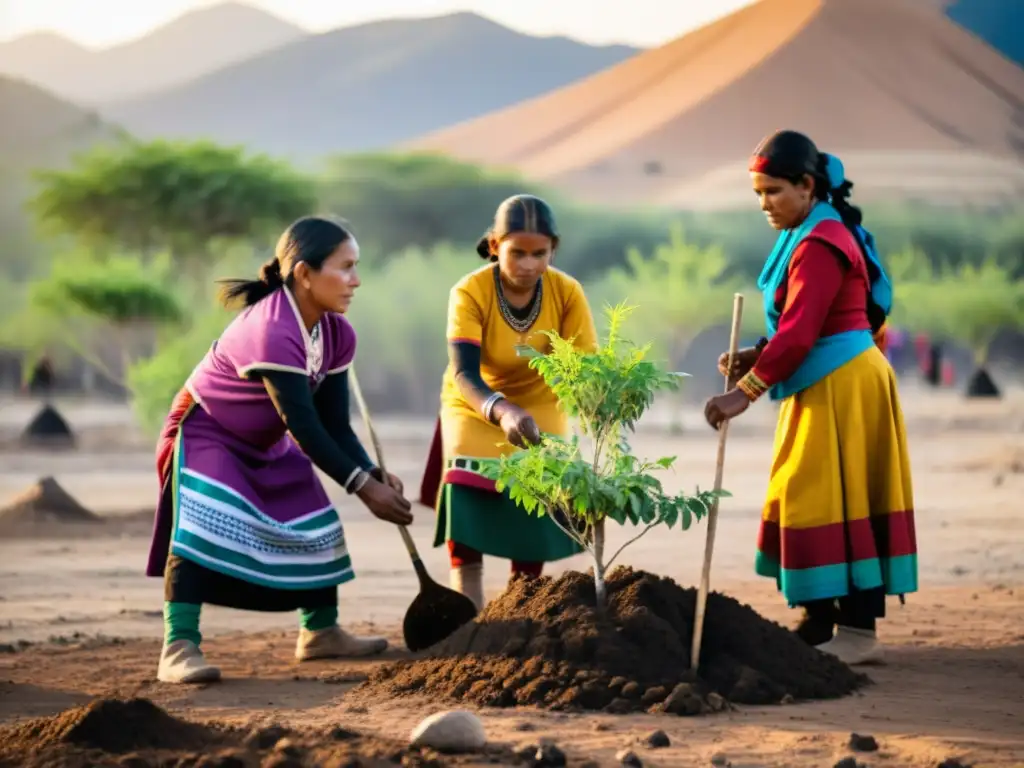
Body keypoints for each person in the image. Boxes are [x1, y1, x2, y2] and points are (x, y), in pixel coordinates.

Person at [145, 215, 414, 684]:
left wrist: (370, 472)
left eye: (357, 266)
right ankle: (179, 645)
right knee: (202, 525)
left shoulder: (335, 333)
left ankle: (320, 632)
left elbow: (334, 424)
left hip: (268, 439)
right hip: (208, 430)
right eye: (345, 267)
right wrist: (364, 490)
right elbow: (303, 424)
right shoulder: (271, 328)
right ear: (305, 274)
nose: (356, 280)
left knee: (315, 518)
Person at [704, 131, 917, 665]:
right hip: (825, 377)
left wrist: (743, 394)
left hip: (845, 381)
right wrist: (758, 355)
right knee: (815, 493)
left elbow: (801, 333)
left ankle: (858, 633)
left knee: (825, 495)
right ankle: (821, 619)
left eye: (773, 191)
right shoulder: (809, 229)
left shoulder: (821, 241)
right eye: (757, 194)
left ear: (806, 185)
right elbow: (806, 327)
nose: (764, 205)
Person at [418, 194, 598, 610]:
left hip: (541, 397)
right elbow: (464, 373)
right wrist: (502, 410)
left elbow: (584, 369)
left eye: (541, 253)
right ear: (496, 246)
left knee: (540, 485)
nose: (530, 264)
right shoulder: (469, 291)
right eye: (518, 252)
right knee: (468, 482)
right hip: (475, 398)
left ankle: (521, 600)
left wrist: (596, 415)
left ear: (554, 249)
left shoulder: (567, 292)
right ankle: (468, 601)